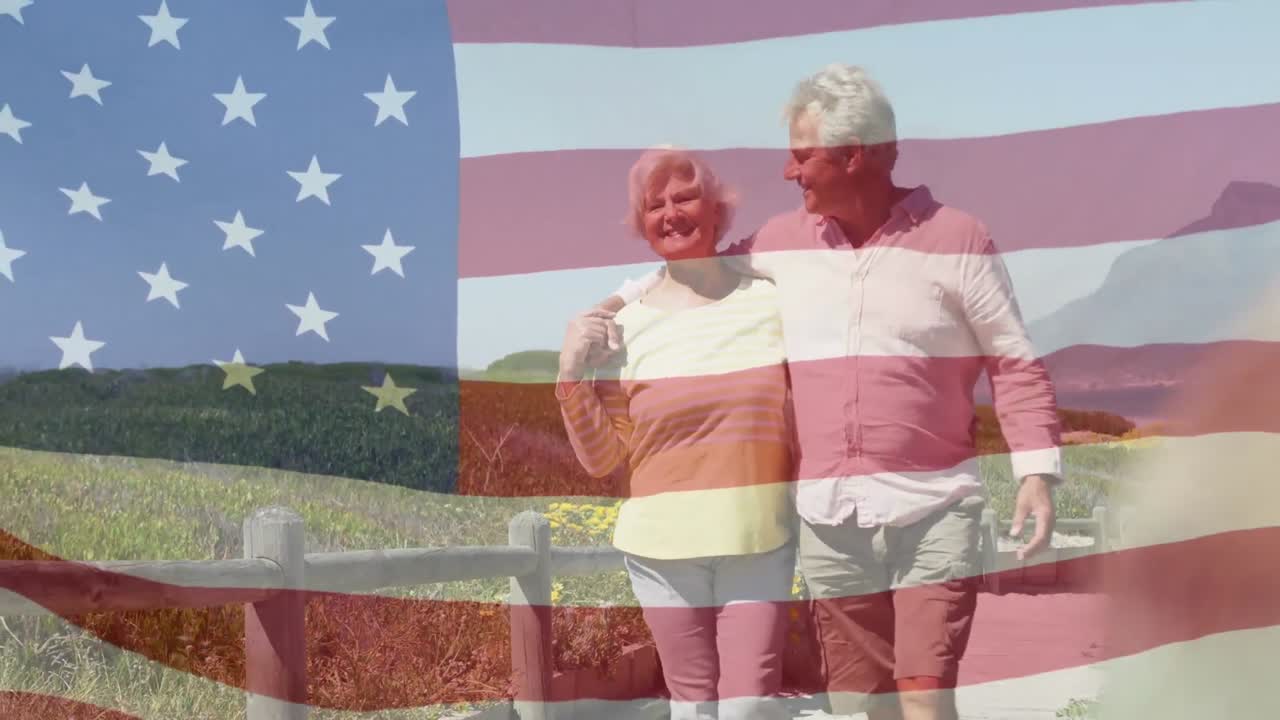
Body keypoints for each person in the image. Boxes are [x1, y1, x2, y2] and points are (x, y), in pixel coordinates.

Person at [592, 64, 1064, 720]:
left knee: (924, 699)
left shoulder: (959, 239)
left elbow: (1013, 363)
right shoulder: (781, 244)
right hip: (829, 526)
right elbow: (696, 263)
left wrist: (1037, 473)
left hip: (935, 511)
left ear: (855, 154)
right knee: (858, 707)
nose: (790, 173)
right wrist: (611, 306)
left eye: (801, 157)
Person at [556, 147, 795, 720]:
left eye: (684, 197)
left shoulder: (771, 300)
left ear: (716, 210)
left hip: (757, 541)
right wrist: (570, 377)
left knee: (747, 708)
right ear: (643, 225)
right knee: (691, 707)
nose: (670, 212)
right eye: (654, 205)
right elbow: (602, 457)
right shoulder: (624, 330)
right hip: (659, 549)